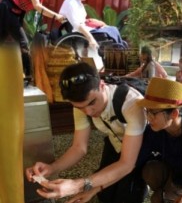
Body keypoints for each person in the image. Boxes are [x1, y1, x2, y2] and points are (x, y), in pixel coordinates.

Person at [25, 62, 148, 203]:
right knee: (105, 195)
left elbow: (126, 164)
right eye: (80, 107)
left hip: (140, 148)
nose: (88, 112)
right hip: (115, 142)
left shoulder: (131, 103)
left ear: (102, 85)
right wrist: (52, 168)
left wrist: (77, 185)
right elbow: (79, 147)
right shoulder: (81, 105)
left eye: (92, 102)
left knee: (127, 196)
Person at [0, 0, 65, 77]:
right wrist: (56, 16)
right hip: (7, 9)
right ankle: (29, 76)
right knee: (24, 43)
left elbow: (38, 10)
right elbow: (37, 6)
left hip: (18, 12)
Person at [59, 0, 126, 49]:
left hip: (83, 28)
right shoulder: (71, 3)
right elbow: (77, 25)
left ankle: (118, 50)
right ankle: (118, 51)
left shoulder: (76, 1)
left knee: (113, 29)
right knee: (110, 31)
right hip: (79, 31)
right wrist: (91, 39)